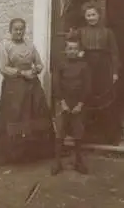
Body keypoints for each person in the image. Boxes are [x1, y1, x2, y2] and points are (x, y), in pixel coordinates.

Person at [0, 18, 55, 165]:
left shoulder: (30, 46)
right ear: (10, 30)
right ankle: (10, 155)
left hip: (32, 86)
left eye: (21, 29)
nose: (19, 32)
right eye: (16, 29)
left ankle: (33, 152)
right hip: (13, 87)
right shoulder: (5, 46)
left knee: (35, 115)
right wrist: (21, 73)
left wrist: (36, 69)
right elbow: (3, 68)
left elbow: (39, 63)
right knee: (15, 117)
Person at [74, 0, 123, 145]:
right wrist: (79, 55)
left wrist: (115, 72)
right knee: (87, 98)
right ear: (84, 16)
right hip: (87, 67)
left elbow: (114, 53)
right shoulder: (80, 32)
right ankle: (87, 136)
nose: (91, 18)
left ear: (99, 15)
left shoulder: (108, 33)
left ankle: (109, 137)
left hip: (103, 68)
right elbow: (75, 50)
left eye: (93, 14)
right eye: (88, 15)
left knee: (106, 100)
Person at [51, 35, 91, 175]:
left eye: (75, 49)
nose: (72, 51)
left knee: (78, 132)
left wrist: (80, 103)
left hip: (78, 103)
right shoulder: (60, 64)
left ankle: (78, 162)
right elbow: (56, 84)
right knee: (60, 132)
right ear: (65, 50)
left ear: (79, 50)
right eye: (69, 48)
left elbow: (87, 85)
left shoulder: (84, 65)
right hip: (63, 102)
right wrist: (62, 102)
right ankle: (57, 162)